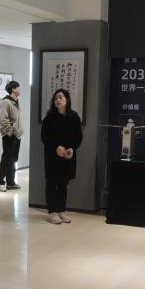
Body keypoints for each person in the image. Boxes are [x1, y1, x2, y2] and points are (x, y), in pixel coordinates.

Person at [40, 88, 84, 225]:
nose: (57, 100)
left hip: (67, 156)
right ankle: (52, 212)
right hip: (52, 155)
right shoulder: (49, 117)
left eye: (60, 97)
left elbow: (78, 137)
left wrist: (72, 148)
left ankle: (61, 211)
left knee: (63, 184)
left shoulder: (74, 116)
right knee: (52, 182)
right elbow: (44, 137)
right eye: (55, 98)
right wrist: (56, 147)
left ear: (67, 100)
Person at [0, 79, 23, 192]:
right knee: (6, 159)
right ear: (13, 89)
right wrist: (10, 132)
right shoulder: (6, 102)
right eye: (18, 87)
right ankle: (0, 183)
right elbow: (3, 119)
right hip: (9, 136)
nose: (20, 89)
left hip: (17, 135)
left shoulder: (16, 101)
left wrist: (18, 132)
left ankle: (11, 182)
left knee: (13, 160)